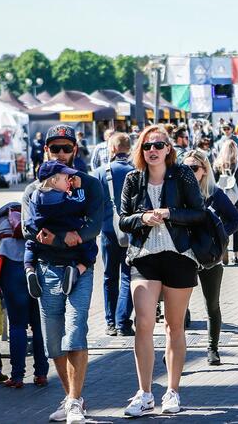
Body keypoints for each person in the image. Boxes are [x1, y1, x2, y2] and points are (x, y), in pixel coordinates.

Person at [118, 125, 206, 417]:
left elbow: (199, 212)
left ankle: (172, 391)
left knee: (173, 325)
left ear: (169, 148)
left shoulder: (182, 175)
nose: (152, 150)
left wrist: (170, 214)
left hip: (179, 255)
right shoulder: (133, 179)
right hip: (144, 256)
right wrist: (143, 217)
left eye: (158, 145)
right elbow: (123, 220)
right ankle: (144, 393)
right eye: (146, 146)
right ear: (140, 151)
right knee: (143, 322)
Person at [21, 125, 103, 423]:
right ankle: (73, 399)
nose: (61, 153)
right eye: (54, 148)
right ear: (46, 151)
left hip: (79, 269)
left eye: (66, 148)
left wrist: (73, 237)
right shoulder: (33, 189)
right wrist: (62, 238)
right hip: (45, 269)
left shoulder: (90, 185)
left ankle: (73, 401)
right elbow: (29, 228)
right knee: (53, 341)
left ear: (75, 150)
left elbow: (95, 224)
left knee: (75, 330)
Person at [182, 150, 238, 366]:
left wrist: (219, 236)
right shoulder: (177, 194)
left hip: (209, 260)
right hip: (184, 258)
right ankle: (175, 349)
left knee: (212, 305)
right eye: (185, 168)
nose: (189, 172)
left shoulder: (214, 194)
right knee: (177, 308)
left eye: (194, 168)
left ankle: (212, 348)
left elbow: (236, 219)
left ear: (204, 170)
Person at [0, 202, 49, 389]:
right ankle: (41, 374)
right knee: (39, 325)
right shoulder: (32, 217)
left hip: (12, 273)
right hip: (36, 270)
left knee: (17, 325)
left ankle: (17, 376)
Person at [24, 161, 98, 299]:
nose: (68, 181)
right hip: (68, 231)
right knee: (91, 250)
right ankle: (76, 271)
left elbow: (30, 220)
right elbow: (79, 202)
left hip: (43, 235)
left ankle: (29, 270)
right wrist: (78, 188)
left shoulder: (35, 197)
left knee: (30, 246)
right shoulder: (63, 199)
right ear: (54, 180)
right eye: (65, 179)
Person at [93, 133, 136, 336]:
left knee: (110, 277)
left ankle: (110, 321)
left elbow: (94, 205)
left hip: (108, 230)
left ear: (111, 149)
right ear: (129, 149)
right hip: (132, 231)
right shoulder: (136, 171)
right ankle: (123, 321)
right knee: (128, 276)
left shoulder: (100, 173)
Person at [213, 139, 238, 265]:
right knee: (236, 224)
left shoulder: (217, 164)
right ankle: (236, 256)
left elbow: (214, 182)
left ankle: (223, 249)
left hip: (221, 199)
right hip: (237, 198)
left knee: (220, 225)